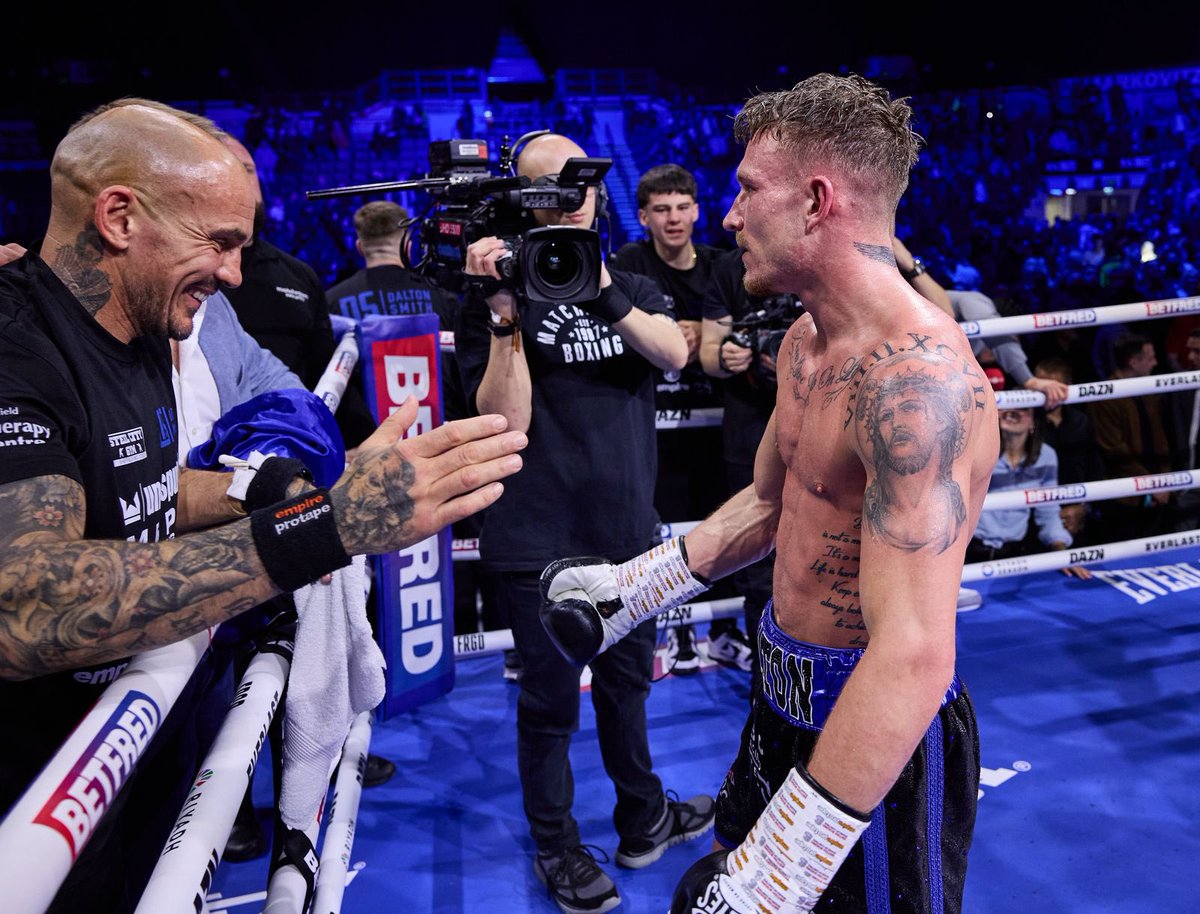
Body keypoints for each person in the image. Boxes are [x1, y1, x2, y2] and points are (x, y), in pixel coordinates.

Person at [0, 99, 526, 914]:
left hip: (139, 772)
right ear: (118, 217)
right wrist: (331, 526)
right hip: (34, 810)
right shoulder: (15, 345)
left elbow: (131, 495)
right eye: (220, 242)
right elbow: (23, 599)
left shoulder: (144, 327)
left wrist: (304, 486)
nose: (237, 273)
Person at [540, 74, 998, 913]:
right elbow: (771, 506)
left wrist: (786, 866)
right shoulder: (803, 341)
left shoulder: (918, 386)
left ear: (818, 200)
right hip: (777, 696)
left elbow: (914, 654)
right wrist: (633, 591)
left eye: (749, 189)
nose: (728, 216)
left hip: (878, 732)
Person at [455, 132, 714, 914]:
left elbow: (672, 356)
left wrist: (600, 282)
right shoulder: (492, 293)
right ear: (521, 200)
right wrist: (504, 313)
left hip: (627, 529)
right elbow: (507, 421)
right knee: (548, 704)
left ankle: (643, 818)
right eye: (550, 191)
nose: (570, 202)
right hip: (536, 537)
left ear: (598, 194)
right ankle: (558, 846)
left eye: (581, 187)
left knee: (629, 689)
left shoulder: (631, 279)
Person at [612, 163, 746, 675]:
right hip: (655, 422)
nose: (674, 219)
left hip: (715, 418)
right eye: (662, 209)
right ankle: (672, 632)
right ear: (644, 216)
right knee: (663, 533)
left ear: (697, 210)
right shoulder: (629, 262)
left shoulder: (722, 265)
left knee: (723, 525)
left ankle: (725, 631)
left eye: (682, 207)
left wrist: (703, 329)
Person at [699, 246, 797, 677]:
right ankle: (769, 686)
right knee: (759, 563)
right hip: (751, 429)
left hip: (821, 420)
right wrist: (726, 358)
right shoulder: (726, 268)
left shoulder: (819, 255)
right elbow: (709, 352)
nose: (737, 217)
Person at [217, 132, 339, 392]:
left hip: (291, 420)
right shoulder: (187, 275)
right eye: (229, 170)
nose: (242, 181)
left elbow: (325, 371)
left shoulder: (299, 275)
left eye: (247, 170)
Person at [966, 405, 1091, 579]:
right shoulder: (975, 450)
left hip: (1016, 556)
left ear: (1034, 422)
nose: (1013, 412)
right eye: (1008, 407)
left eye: (1023, 409)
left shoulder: (1046, 456)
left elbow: (1048, 511)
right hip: (968, 553)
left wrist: (1062, 552)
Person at [1088, 331, 1176, 540]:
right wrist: (1150, 483)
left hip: (1159, 487)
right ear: (1134, 362)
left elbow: (1161, 437)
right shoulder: (1105, 397)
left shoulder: (1149, 389)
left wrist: (1164, 479)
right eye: (1150, 358)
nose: (1155, 363)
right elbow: (1113, 448)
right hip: (1124, 495)